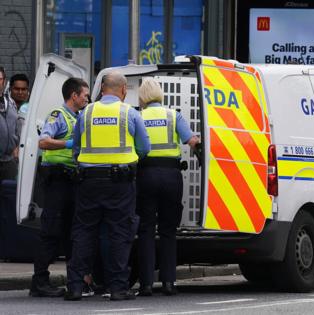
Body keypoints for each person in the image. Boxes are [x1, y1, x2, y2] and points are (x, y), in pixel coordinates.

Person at [65, 71, 150, 301]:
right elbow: (144, 148)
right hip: (120, 183)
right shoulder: (129, 113)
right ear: (123, 90)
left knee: (84, 232)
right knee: (119, 234)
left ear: (102, 89)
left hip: (88, 182)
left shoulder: (86, 113)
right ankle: (117, 288)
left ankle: (74, 286)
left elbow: (76, 149)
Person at [136, 77, 199, 296]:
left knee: (145, 229)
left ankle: (145, 284)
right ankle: (169, 283)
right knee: (168, 231)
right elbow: (192, 141)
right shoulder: (173, 115)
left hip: (145, 175)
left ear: (142, 96)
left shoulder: (138, 116)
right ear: (160, 94)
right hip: (171, 176)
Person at [29, 78, 90, 297]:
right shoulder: (58, 115)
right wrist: (68, 143)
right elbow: (43, 142)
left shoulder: (79, 116)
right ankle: (39, 282)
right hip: (57, 179)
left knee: (72, 232)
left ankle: (76, 280)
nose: (87, 98)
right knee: (51, 231)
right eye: (84, 94)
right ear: (74, 95)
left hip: (72, 180)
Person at [0, 67, 20, 183]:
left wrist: (17, 147)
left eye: (0, 79)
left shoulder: (10, 102)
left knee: (8, 196)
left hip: (9, 161)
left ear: (4, 81)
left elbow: (16, 127)